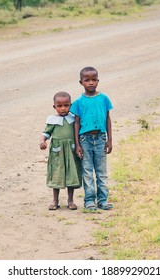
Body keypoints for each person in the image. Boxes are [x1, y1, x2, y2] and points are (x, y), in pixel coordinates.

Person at [70, 66, 113, 211]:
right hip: (84, 140)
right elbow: (76, 123)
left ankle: (103, 200)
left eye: (94, 80)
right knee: (87, 172)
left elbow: (108, 119)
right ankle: (89, 201)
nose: (91, 83)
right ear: (80, 82)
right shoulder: (78, 102)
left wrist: (109, 140)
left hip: (100, 139)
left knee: (101, 172)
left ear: (98, 81)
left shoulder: (104, 98)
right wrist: (77, 144)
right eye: (87, 80)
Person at [40, 91, 82, 210]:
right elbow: (46, 133)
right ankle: (55, 200)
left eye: (66, 105)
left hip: (71, 151)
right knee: (57, 174)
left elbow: (78, 132)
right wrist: (43, 141)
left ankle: (70, 200)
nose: (63, 108)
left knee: (71, 174)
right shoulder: (52, 120)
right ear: (54, 107)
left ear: (71, 105)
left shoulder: (74, 119)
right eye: (59, 106)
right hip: (57, 152)